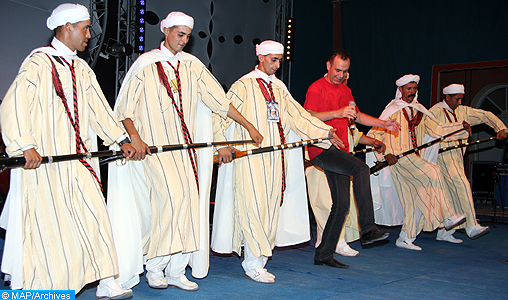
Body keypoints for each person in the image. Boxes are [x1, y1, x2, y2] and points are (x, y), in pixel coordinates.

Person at [106, 11, 262, 292]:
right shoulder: (145, 64)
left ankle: (177, 268)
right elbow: (124, 109)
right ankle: (154, 266)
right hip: (156, 151)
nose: (184, 40)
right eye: (180, 34)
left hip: (186, 152)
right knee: (170, 201)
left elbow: (220, 102)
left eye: (188, 36)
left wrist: (249, 126)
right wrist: (135, 138)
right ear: (165, 32)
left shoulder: (192, 65)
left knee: (189, 204)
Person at [0, 3, 135, 298]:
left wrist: (120, 140)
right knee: (52, 227)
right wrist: (25, 146)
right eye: (85, 28)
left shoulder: (82, 68)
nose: (89, 35)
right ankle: (51, 287)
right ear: (67, 28)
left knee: (96, 214)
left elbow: (99, 109)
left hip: (80, 160)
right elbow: (13, 104)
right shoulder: (38, 62)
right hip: (45, 164)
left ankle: (105, 278)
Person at [211, 40, 347, 283]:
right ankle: (252, 262)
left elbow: (298, 116)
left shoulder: (280, 88)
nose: (276, 65)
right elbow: (221, 113)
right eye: (272, 60)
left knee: (271, 209)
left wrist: (324, 131)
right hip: (250, 160)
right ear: (261, 58)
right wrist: (221, 144)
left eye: (279, 61)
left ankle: (258, 259)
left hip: (276, 160)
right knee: (254, 207)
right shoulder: (243, 86)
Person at [303, 49, 396, 261]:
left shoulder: (346, 91)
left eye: (344, 71)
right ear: (328, 65)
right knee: (361, 168)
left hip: (340, 150)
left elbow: (358, 115)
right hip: (322, 148)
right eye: (337, 70)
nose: (340, 75)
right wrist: (336, 113)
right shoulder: (316, 88)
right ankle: (368, 230)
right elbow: (307, 115)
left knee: (342, 204)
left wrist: (384, 123)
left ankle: (324, 254)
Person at [367, 74, 469, 251]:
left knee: (413, 200)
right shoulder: (392, 110)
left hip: (415, 159)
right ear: (401, 90)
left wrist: (460, 127)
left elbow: (438, 129)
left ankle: (406, 237)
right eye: (409, 88)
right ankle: (447, 215)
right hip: (400, 160)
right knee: (433, 171)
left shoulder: (421, 110)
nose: (412, 92)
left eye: (415, 88)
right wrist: (384, 155)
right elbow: (375, 134)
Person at [427, 83, 507, 242]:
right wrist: (460, 127)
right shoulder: (434, 112)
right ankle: (471, 224)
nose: (459, 102)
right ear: (447, 97)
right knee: (462, 185)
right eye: (456, 99)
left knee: (451, 193)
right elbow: (436, 130)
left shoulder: (463, 111)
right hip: (442, 155)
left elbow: (485, 115)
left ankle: (445, 231)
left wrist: (500, 128)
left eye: (461, 99)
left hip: (457, 156)